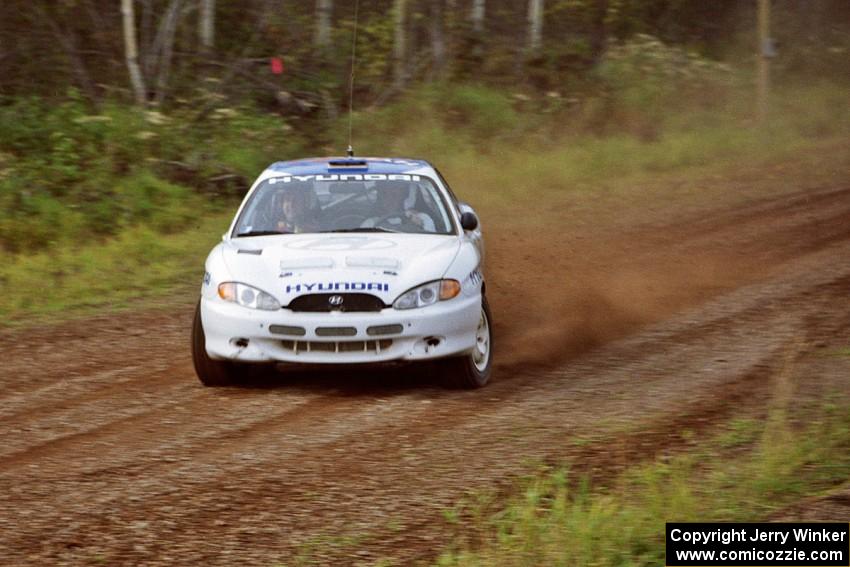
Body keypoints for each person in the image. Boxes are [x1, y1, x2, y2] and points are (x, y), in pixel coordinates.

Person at [361, 181, 436, 232]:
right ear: (380, 197)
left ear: (403, 195)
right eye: (385, 194)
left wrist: (419, 227)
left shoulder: (423, 219)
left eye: (394, 194)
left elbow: (433, 244)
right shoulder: (370, 224)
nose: (389, 199)